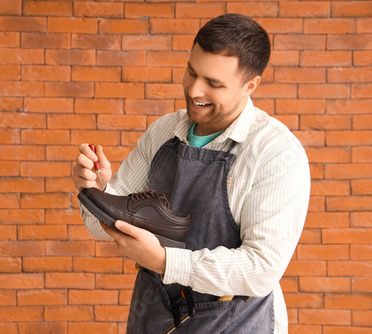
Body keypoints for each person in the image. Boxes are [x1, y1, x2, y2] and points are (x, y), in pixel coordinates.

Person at [72, 13, 310, 334]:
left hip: (234, 323)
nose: (194, 90)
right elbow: (101, 229)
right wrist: (97, 193)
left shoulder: (275, 154)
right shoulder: (163, 132)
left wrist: (164, 262)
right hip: (155, 316)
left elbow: (261, 270)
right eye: (191, 72)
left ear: (250, 85)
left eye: (213, 83)